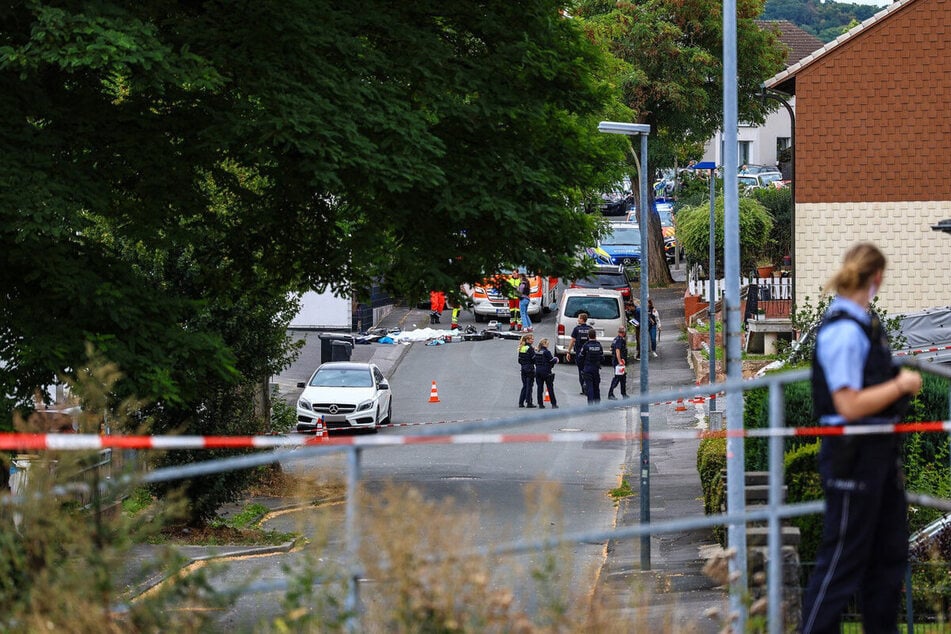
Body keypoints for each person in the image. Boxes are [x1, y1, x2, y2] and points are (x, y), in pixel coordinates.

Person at [801, 242, 922, 634]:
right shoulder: (844, 331)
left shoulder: (865, 325)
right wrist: (901, 384)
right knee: (843, 557)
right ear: (878, 277)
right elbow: (848, 404)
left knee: (888, 556)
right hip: (853, 454)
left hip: (879, 453)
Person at [565, 312, 592, 395]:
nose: (578, 319)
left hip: (579, 353)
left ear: (582, 319)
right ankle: (588, 386)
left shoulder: (576, 329)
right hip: (589, 354)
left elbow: (572, 341)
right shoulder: (590, 328)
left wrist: (568, 351)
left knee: (581, 371)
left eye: (579, 318)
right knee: (588, 370)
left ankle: (584, 388)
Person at [578, 330, 603, 404]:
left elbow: (580, 357)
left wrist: (582, 366)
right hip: (596, 369)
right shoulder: (599, 345)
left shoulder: (586, 345)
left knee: (589, 387)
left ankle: (590, 405)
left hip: (588, 369)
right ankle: (597, 404)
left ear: (588, 336)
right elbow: (602, 358)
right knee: (596, 387)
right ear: (595, 336)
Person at [533, 338, 559, 409]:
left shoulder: (537, 351)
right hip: (546, 371)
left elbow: (534, 360)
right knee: (550, 388)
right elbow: (552, 360)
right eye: (547, 343)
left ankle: (540, 404)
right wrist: (556, 359)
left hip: (538, 371)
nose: (548, 344)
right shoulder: (547, 352)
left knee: (539, 388)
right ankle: (554, 404)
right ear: (544, 344)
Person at [607, 327, 628, 400]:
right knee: (617, 378)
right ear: (623, 333)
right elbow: (617, 351)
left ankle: (624, 394)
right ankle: (610, 394)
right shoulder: (619, 340)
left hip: (618, 361)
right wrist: (620, 361)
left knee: (623, 378)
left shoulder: (616, 339)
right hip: (618, 362)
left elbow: (611, 348)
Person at [516, 332, 536, 408]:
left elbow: (519, 360)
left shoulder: (522, 348)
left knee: (524, 386)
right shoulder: (530, 348)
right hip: (530, 369)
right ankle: (529, 402)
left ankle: (521, 402)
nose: (533, 340)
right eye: (531, 339)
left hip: (523, 368)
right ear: (527, 340)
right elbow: (534, 359)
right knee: (529, 386)